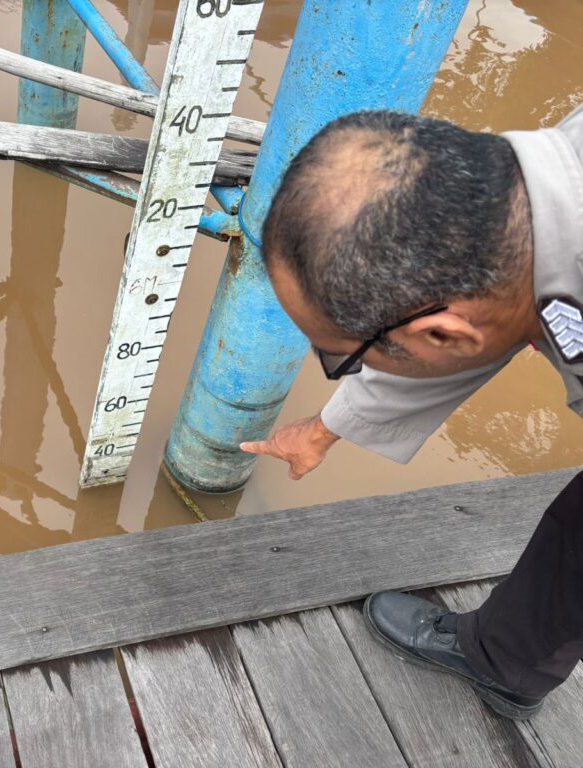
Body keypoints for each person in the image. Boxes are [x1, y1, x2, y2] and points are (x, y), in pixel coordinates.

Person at [240, 106, 583, 720]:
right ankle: (507, 659)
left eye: (341, 357)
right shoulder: (528, 212)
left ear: (444, 334)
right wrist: (325, 430)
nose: (341, 366)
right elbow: (486, 315)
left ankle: (505, 664)